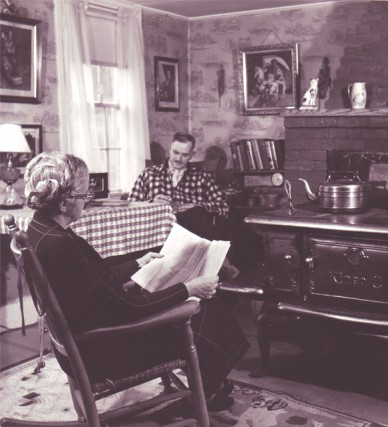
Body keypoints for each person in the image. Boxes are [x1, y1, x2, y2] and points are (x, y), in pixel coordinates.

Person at [24, 151, 249, 409]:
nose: (87, 201)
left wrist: (139, 264)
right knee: (202, 309)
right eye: (85, 195)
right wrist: (188, 288)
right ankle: (207, 391)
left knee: (195, 306)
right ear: (63, 203)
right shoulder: (62, 246)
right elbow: (130, 309)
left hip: (79, 343)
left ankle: (213, 383)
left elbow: (93, 278)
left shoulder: (40, 231)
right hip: (103, 353)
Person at [128, 132, 239, 278]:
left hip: (191, 231)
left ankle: (217, 266)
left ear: (192, 155)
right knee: (196, 216)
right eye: (175, 152)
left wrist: (197, 205)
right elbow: (130, 206)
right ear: (170, 149)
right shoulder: (149, 174)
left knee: (196, 214)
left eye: (184, 155)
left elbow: (223, 207)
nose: (178, 158)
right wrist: (151, 203)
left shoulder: (201, 177)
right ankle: (222, 264)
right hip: (158, 230)